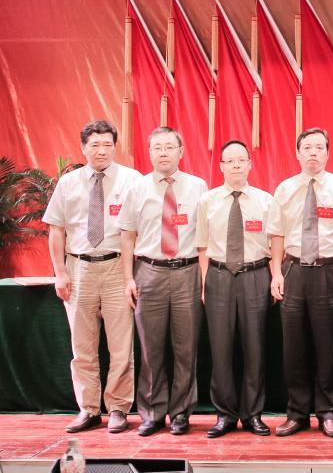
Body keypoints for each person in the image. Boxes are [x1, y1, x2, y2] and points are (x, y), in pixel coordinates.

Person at [43, 120, 141, 434]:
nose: (101, 151)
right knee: (82, 347)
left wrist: (131, 275)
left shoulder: (132, 180)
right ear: (83, 147)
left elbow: (141, 229)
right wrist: (60, 274)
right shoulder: (68, 183)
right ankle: (88, 409)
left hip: (117, 268)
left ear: (115, 147)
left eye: (107, 144)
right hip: (78, 269)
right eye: (95, 145)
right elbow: (56, 231)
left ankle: (118, 408)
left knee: (121, 346)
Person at [119, 126, 208, 436]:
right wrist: (128, 278)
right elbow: (127, 236)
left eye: (169, 147)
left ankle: (181, 412)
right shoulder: (137, 188)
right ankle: (153, 412)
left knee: (186, 348)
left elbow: (204, 238)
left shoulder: (198, 186)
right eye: (157, 147)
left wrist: (204, 278)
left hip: (187, 271)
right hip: (149, 272)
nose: (163, 153)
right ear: (150, 152)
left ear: (181, 151)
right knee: (150, 347)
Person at [270, 128, 333, 438]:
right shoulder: (284, 189)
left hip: (329, 271)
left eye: (319, 147)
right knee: (293, 348)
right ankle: (297, 414)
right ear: (297, 153)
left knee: (327, 346)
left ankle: (328, 412)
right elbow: (277, 235)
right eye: (307, 147)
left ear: (328, 153)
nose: (313, 153)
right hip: (293, 270)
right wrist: (276, 273)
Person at [196, 140, 281, 438]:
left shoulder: (266, 201)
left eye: (241, 160)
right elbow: (202, 246)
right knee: (220, 349)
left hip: (255, 275)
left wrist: (275, 276)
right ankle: (225, 414)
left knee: (255, 348)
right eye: (229, 161)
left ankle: (253, 413)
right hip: (218, 276)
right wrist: (204, 282)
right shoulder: (207, 201)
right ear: (220, 166)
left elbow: (276, 242)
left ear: (249, 164)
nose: (235, 165)